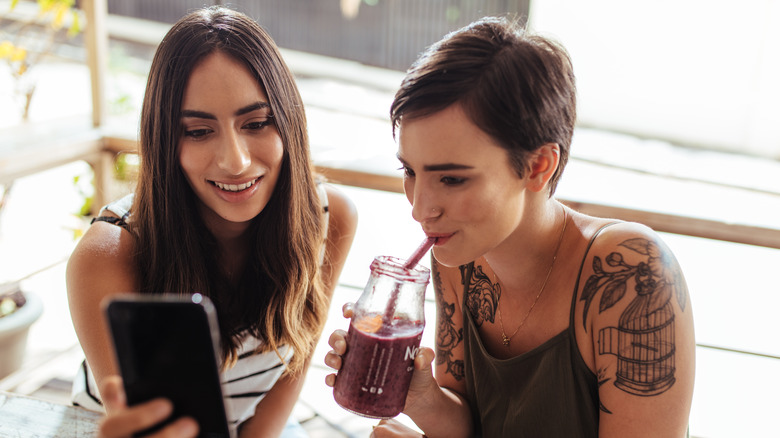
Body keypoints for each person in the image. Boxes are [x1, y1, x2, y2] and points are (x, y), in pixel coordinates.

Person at [324, 16, 694, 438]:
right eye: (410, 171)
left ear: (538, 167)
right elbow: (469, 426)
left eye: (452, 179)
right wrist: (418, 395)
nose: (421, 209)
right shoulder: (455, 256)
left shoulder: (629, 274)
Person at [66, 6, 357, 438]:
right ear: (165, 141)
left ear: (289, 124)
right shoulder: (110, 253)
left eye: (257, 123)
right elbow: (150, 424)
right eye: (199, 131)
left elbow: (287, 381)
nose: (235, 162)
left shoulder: (328, 217)